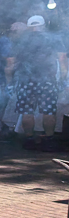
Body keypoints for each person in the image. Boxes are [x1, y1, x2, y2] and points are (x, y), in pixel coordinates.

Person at [9, 14, 68, 149]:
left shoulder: (21, 40)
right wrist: (63, 79)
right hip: (47, 80)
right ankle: (49, 140)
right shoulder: (54, 38)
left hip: (25, 80)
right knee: (48, 111)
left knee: (26, 111)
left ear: (30, 27)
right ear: (43, 25)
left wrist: (11, 81)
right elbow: (62, 59)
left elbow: (12, 62)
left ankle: (29, 139)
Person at [0, 22, 25, 142]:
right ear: (16, 32)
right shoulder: (6, 42)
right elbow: (9, 64)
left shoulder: (7, 41)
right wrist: (9, 84)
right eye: (22, 32)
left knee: (0, 107)